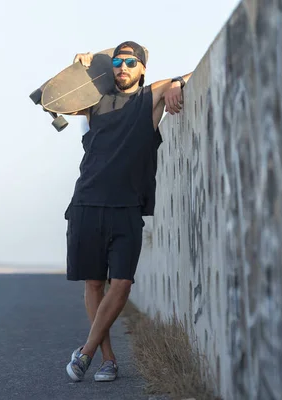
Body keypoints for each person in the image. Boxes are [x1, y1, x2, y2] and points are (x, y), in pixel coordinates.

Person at [62, 40, 192, 382]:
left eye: (130, 62)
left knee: (121, 283)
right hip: (86, 202)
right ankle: (106, 358)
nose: (122, 67)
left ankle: (84, 353)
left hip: (127, 207)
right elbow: (54, 102)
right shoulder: (94, 100)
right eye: (118, 61)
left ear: (142, 68)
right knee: (94, 283)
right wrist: (81, 69)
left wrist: (177, 83)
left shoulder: (150, 99)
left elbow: (190, 75)